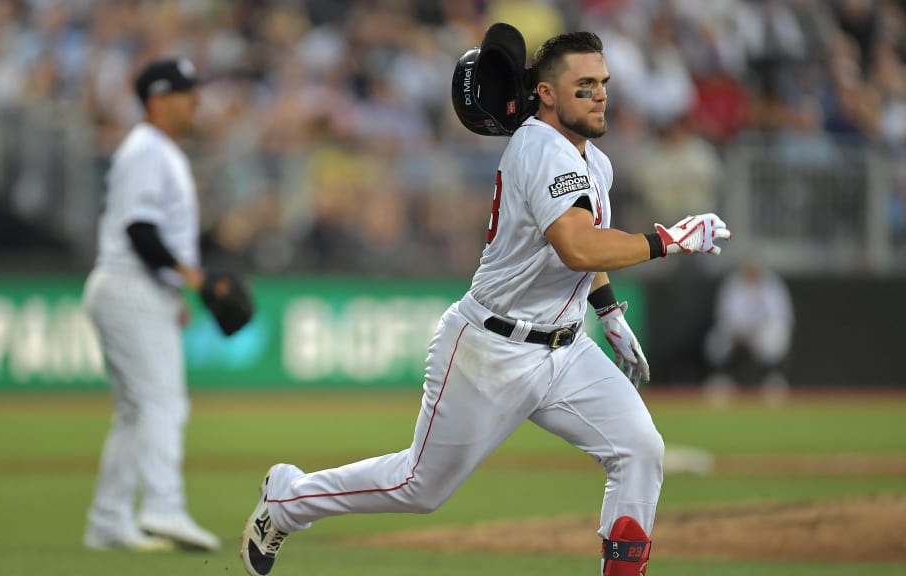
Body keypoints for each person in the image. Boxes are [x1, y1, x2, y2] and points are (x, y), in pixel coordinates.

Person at [240, 28, 730, 576]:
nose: (600, 94)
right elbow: (575, 245)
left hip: (564, 350)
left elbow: (585, 252)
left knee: (640, 450)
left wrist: (608, 311)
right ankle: (287, 498)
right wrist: (668, 240)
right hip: (491, 349)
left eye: (604, 82)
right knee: (418, 487)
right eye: (584, 84)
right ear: (546, 94)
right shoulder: (541, 148)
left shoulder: (595, 161)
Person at [81, 57, 220, 552]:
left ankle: (108, 520)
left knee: (135, 412)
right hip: (128, 285)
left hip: (135, 286)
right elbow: (139, 230)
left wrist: (172, 288)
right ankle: (163, 506)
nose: (196, 100)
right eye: (186, 92)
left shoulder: (157, 150)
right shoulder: (147, 150)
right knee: (163, 402)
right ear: (159, 99)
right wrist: (191, 279)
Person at [703, 261, 794, 406]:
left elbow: (781, 316)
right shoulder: (732, 283)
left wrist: (756, 331)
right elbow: (725, 315)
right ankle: (723, 380)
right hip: (737, 334)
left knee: (776, 336)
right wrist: (742, 332)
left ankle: (772, 380)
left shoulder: (773, 284)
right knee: (716, 340)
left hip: (763, 334)